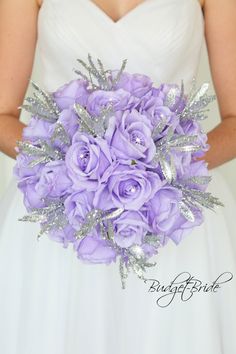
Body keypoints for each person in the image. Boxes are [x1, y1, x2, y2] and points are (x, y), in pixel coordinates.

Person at [0, 0, 236, 353]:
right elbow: (2, 114)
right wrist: (73, 171)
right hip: (62, 218)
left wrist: (163, 170)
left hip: (172, 218)